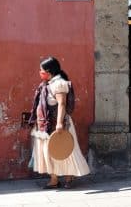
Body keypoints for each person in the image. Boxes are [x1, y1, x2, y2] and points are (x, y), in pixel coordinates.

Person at [28, 57, 90, 189]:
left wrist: (59, 124)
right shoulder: (47, 84)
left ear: (49, 71)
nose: (40, 72)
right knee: (48, 152)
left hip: (59, 124)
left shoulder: (59, 84)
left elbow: (62, 104)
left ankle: (69, 176)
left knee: (65, 151)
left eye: (42, 70)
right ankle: (54, 179)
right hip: (45, 125)